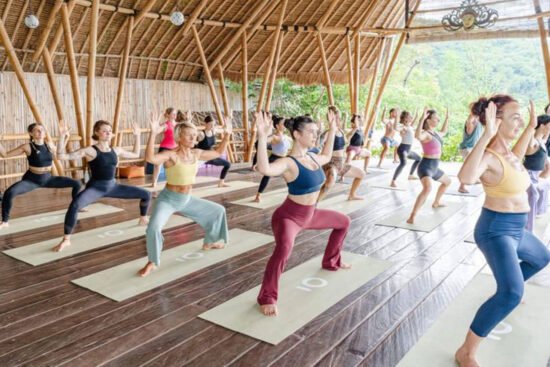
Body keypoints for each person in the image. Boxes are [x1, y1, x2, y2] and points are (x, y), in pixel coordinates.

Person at [455, 96, 550, 367]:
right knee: (511, 294)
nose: (519, 120)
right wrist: (486, 135)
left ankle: (510, 287)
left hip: (517, 229)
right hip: (496, 230)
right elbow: (466, 178)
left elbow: (519, 155)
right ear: (496, 121)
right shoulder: (489, 157)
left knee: (541, 258)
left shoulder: (509, 153)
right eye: (515, 116)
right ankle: (466, 352)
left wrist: (532, 125)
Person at [254, 110, 351, 316]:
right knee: (284, 249)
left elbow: (327, 155)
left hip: (311, 214)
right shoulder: (289, 163)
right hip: (289, 217)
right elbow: (265, 168)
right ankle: (267, 297)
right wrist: (263, 137)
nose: (315, 135)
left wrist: (333, 130)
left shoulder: (314, 158)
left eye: (317, 132)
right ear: (297, 135)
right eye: (311, 132)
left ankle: (331, 261)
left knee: (343, 222)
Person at [138, 114, 232, 277]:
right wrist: (153, 134)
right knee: (153, 228)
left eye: (195, 135)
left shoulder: (196, 153)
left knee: (218, 210)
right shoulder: (171, 155)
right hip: (168, 199)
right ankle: (152, 261)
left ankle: (209, 242)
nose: (193, 138)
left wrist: (228, 134)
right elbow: (151, 158)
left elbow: (218, 152)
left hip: (186, 199)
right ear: (179, 137)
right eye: (190, 135)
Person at [52, 120, 151, 252]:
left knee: (146, 194)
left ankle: (143, 219)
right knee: (75, 206)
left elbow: (136, 154)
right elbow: (61, 156)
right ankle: (66, 239)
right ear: (97, 133)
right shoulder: (90, 150)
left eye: (109, 130)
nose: (108, 133)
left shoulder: (116, 150)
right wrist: (62, 137)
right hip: (95, 188)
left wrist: (137, 136)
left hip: (113, 186)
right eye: (104, 130)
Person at [0, 123, 82, 230]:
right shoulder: (28, 147)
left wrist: (63, 136)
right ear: (31, 133)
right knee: (9, 193)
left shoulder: (49, 145)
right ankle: (5, 221)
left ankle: (77, 207)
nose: (40, 132)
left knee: (77, 183)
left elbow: (59, 155)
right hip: (31, 181)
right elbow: (5, 154)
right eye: (37, 130)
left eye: (42, 130)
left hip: (48, 179)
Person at [406, 108, 451, 224]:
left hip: (434, 167)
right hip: (425, 166)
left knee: (447, 182)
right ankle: (412, 215)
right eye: (436, 118)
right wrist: (421, 118)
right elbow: (417, 136)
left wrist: (447, 118)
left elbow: (444, 131)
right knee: (427, 188)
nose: (438, 120)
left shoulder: (435, 133)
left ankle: (436, 202)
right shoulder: (425, 134)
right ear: (429, 120)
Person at [319, 106, 366, 201]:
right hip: (330, 164)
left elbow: (346, 140)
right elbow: (319, 144)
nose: (337, 120)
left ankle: (352, 195)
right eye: (334, 118)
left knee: (361, 174)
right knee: (330, 182)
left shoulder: (341, 131)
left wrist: (355, 129)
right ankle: (314, 204)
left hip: (341, 164)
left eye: (338, 118)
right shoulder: (328, 133)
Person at [253, 115, 291, 202]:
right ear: (277, 126)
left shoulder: (286, 137)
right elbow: (259, 143)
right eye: (283, 124)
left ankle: (293, 195)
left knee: (290, 175)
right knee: (267, 176)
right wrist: (259, 161)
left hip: (284, 159)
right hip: (274, 158)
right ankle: (258, 195)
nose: (285, 125)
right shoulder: (274, 137)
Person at [523, 114, 550, 232]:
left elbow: (544, 138)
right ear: (543, 125)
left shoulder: (541, 140)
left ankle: (535, 216)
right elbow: (529, 147)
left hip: (536, 176)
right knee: (532, 198)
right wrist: (531, 126)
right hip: (529, 175)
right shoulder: (534, 141)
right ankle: (527, 229)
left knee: (542, 190)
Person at [197, 115, 232, 188]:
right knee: (190, 171)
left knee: (227, 164)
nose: (212, 126)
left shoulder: (213, 131)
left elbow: (224, 130)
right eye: (210, 124)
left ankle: (221, 183)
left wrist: (228, 122)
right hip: (201, 157)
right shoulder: (201, 134)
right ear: (205, 124)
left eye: (213, 124)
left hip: (211, 156)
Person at [390, 110, 421, 187]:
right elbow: (395, 127)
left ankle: (410, 175)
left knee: (419, 159)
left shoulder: (409, 126)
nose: (411, 117)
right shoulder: (403, 127)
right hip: (402, 149)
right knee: (403, 163)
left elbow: (414, 123)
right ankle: (393, 181)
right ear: (406, 118)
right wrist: (397, 116)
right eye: (410, 116)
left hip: (408, 149)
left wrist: (418, 116)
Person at [151, 108, 178, 192]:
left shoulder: (177, 125)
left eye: (175, 113)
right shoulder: (166, 125)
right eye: (173, 113)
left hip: (175, 148)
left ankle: (174, 181)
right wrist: (155, 129)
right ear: (168, 115)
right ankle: (154, 181)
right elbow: (158, 130)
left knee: (175, 165)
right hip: (165, 147)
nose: (175, 115)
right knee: (158, 165)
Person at [458, 112, 483, 193]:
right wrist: (471, 119)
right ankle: (461, 187)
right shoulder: (471, 122)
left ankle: (474, 179)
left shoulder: (479, 122)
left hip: (472, 148)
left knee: (476, 164)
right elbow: (469, 129)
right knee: (468, 167)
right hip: (467, 148)